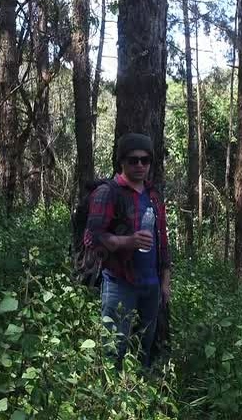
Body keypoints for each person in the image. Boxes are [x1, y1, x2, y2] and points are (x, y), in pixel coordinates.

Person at [84, 133, 172, 369]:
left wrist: (165, 281)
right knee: (114, 348)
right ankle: (110, 397)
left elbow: (162, 240)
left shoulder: (153, 196)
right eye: (133, 160)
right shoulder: (108, 193)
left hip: (151, 284)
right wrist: (128, 242)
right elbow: (92, 237)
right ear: (121, 161)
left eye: (145, 160)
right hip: (119, 282)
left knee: (145, 346)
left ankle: (141, 394)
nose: (140, 165)